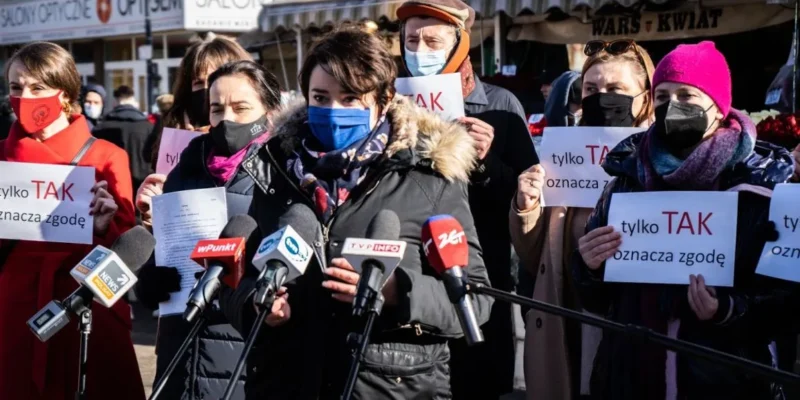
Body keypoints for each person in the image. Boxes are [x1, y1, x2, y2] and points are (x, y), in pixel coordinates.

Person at [220, 28, 493, 399]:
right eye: (321, 97)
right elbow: (236, 281)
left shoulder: (429, 177)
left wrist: (400, 292)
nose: (334, 111)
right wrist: (256, 306)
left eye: (350, 99)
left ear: (383, 99)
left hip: (390, 386)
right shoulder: (273, 169)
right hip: (285, 381)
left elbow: (476, 299)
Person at [573, 41, 795, 399]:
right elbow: (596, 299)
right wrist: (589, 266)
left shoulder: (762, 185)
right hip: (630, 373)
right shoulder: (626, 177)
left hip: (721, 381)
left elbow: (787, 305)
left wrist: (727, 310)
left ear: (718, 107)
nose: (672, 107)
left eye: (687, 96)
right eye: (662, 96)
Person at [396, 1, 539, 397]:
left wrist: (487, 160)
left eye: (433, 41)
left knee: (478, 381)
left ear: (459, 44)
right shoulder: (387, 103)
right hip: (408, 275)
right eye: (412, 40)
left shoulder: (501, 105)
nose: (420, 50)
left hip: (480, 276)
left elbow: (526, 197)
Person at [511, 39, 656, 400]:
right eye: (591, 89)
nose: (601, 98)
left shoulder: (665, 158)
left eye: (616, 89)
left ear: (645, 96)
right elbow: (534, 259)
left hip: (630, 328)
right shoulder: (562, 155)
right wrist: (526, 206)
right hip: (566, 323)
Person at [0, 41, 143, 400]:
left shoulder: (108, 156)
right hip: (13, 304)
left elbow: (127, 251)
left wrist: (102, 226)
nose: (24, 97)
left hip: (84, 302)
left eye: (36, 88)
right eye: (16, 88)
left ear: (63, 92)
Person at [133, 35, 254, 400]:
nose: (210, 94)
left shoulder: (277, 163)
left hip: (236, 338)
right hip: (180, 333)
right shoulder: (179, 152)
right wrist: (152, 220)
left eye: (216, 77)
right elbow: (162, 244)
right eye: (199, 84)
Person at [138, 33, 253, 230]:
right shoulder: (173, 133)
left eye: (216, 79)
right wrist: (150, 214)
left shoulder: (266, 143)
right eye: (199, 83)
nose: (208, 90)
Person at [93, 85, 155, 193]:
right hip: (142, 187)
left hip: (111, 187)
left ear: (115, 102)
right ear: (134, 101)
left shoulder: (101, 127)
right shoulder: (149, 127)